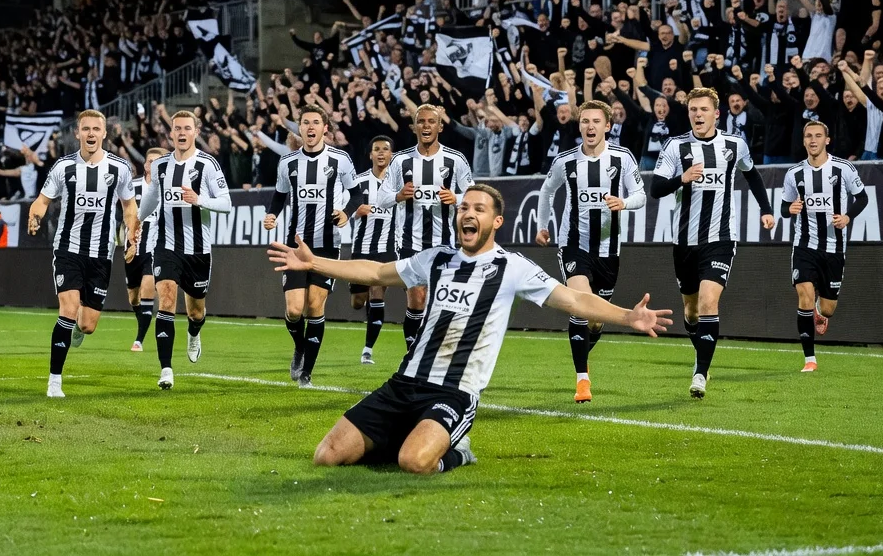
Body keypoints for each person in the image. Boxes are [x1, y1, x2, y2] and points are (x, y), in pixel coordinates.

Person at [267, 185, 671, 475]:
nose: (468, 213)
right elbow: (376, 271)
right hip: (403, 383)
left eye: (478, 208)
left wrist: (628, 317)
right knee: (327, 456)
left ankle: (458, 451)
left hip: (454, 391)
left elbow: (575, 300)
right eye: (463, 207)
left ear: (496, 220)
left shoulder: (512, 267)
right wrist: (314, 263)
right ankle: (407, 431)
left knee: (415, 462)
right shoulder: (438, 258)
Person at [650, 88, 776, 399]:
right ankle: (702, 352)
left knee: (708, 302)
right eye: (693, 110)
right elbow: (655, 188)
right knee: (691, 312)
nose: (698, 115)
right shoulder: (675, 147)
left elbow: (753, 175)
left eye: (704, 109)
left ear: (716, 113)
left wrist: (766, 209)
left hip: (721, 238)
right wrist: (683, 178)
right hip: (684, 241)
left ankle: (700, 373)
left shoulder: (734, 145)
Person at [534, 100, 646, 403]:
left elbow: (640, 195)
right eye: (585, 121)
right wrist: (543, 225)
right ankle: (582, 380)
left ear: (607, 126)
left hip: (609, 249)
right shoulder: (566, 161)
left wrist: (624, 203)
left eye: (596, 121)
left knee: (596, 319)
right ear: (579, 125)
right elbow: (547, 191)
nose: (590, 127)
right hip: (574, 244)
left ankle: (583, 349)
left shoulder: (622, 158)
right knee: (580, 304)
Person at [27, 110, 139, 398]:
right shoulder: (63, 167)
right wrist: (35, 216)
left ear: (104, 134)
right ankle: (54, 381)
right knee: (67, 308)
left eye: (96, 129)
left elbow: (129, 206)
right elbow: (42, 200)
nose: (90, 134)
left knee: (87, 325)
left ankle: (77, 330)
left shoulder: (120, 168)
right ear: (77, 133)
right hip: (68, 249)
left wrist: (132, 238)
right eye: (85, 129)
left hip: (101, 253)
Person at [262, 106, 360, 386]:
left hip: (327, 247)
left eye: (316, 122)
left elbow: (356, 194)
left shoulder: (340, 159)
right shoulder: (288, 163)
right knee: (294, 310)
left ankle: (306, 373)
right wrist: (272, 216)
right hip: (296, 246)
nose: (311, 127)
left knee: (315, 306)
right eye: (305, 123)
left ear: (325, 128)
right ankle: (300, 347)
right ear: (300, 129)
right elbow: (279, 197)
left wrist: (346, 213)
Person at [137, 110, 234, 390]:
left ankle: (194, 333)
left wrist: (199, 199)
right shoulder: (161, 166)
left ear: (195, 132)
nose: (181, 133)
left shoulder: (208, 165)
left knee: (196, 311)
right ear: (171, 133)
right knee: (166, 300)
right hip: (166, 244)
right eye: (176, 128)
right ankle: (166, 369)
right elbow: (152, 198)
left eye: (186, 128)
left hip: (198, 250)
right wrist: (137, 222)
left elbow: (226, 203)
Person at [373, 104, 474, 352]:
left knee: (439, 301)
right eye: (421, 122)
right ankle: (412, 353)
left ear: (440, 126)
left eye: (432, 121)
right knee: (417, 298)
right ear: (414, 127)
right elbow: (381, 198)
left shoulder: (455, 160)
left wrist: (456, 198)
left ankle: (436, 351)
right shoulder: (400, 161)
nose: (426, 126)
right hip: (410, 241)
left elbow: (474, 195)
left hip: (445, 241)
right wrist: (398, 195)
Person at [780, 122, 869, 372]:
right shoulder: (794, 174)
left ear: (827, 140)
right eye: (808, 136)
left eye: (818, 136)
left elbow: (862, 198)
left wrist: (848, 217)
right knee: (804, 295)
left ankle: (821, 311)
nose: (813, 140)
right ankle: (810, 359)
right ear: (804, 140)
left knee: (828, 309)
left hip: (834, 248)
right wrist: (790, 209)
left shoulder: (844, 169)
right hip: (804, 245)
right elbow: (784, 208)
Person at [348, 136, 395, 365]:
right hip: (361, 248)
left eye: (385, 149)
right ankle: (365, 304)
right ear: (370, 155)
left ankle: (367, 350)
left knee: (377, 292)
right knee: (358, 301)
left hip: (387, 248)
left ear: (391, 155)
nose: (381, 153)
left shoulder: (399, 185)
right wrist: (355, 212)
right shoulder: (358, 182)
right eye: (376, 149)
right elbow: (342, 213)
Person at [125, 148, 166, 352]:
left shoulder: (166, 190)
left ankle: (139, 339)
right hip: (132, 247)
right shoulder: (132, 187)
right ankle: (142, 319)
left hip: (154, 247)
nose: (152, 165)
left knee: (147, 287)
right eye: (150, 161)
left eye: (157, 162)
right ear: (145, 165)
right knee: (133, 297)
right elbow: (124, 214)